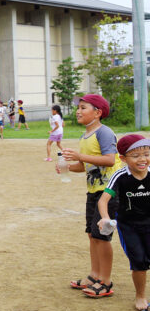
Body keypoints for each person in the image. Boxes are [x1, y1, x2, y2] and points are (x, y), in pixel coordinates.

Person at [60, 94, 123, 297]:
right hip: (94, 191)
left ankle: (105, 281)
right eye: (78, 107)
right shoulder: (85, 136)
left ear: (98, 113)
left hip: (109, 192)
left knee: (102, 236)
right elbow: (87, 165)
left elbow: (109, 160)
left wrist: (79, 156)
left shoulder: (104, 133)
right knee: (92, 234)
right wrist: (69, 166)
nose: (78, 111)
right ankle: (95, 275)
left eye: (84, 107)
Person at [96, 135, 150, 309]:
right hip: (129, 226)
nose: (142, 159)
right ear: (123, 158)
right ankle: (140, 296)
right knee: (139, 261)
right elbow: (103, 200)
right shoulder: (120, 176)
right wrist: (105, 217)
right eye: (135, 156)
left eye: (146, 154)